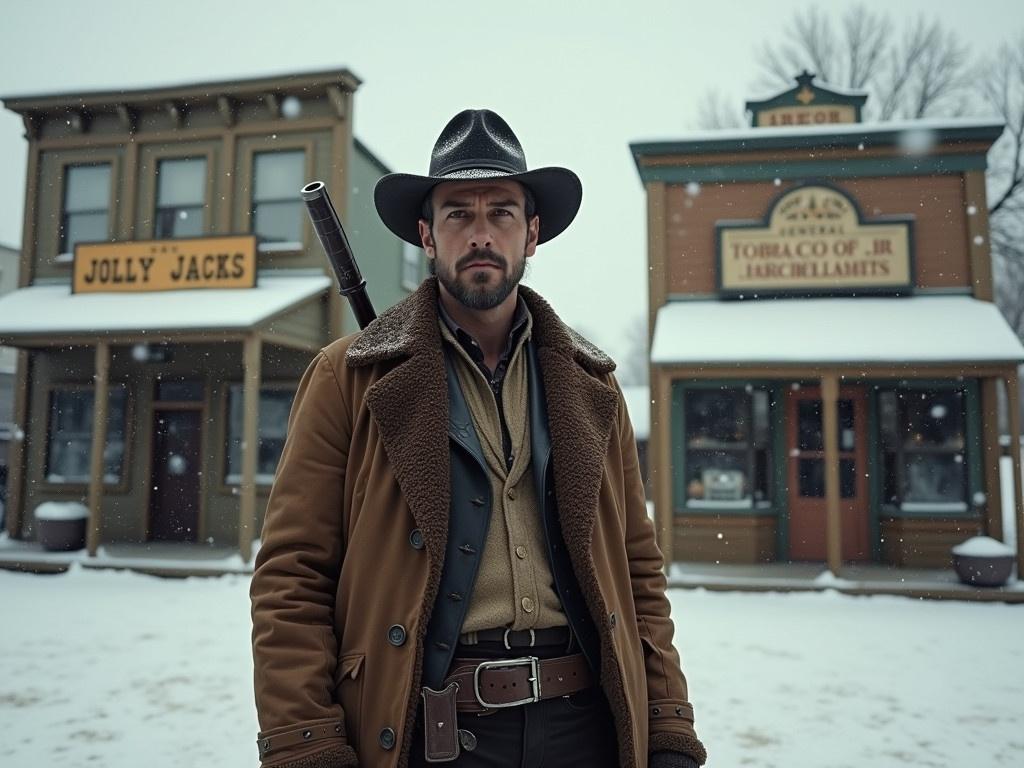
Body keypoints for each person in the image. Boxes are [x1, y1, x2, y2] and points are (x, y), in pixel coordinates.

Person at [250, 109, 707, 768]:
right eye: (458, 214)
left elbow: (638, 574)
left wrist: (666, 722)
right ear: (427, 236)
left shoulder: (593, 385)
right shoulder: (347, 378)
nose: (481, 233)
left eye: (502, 212)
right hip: (430, 730)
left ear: (533, 233)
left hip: (588, 730)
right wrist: (307, 744)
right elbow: (291, 580)